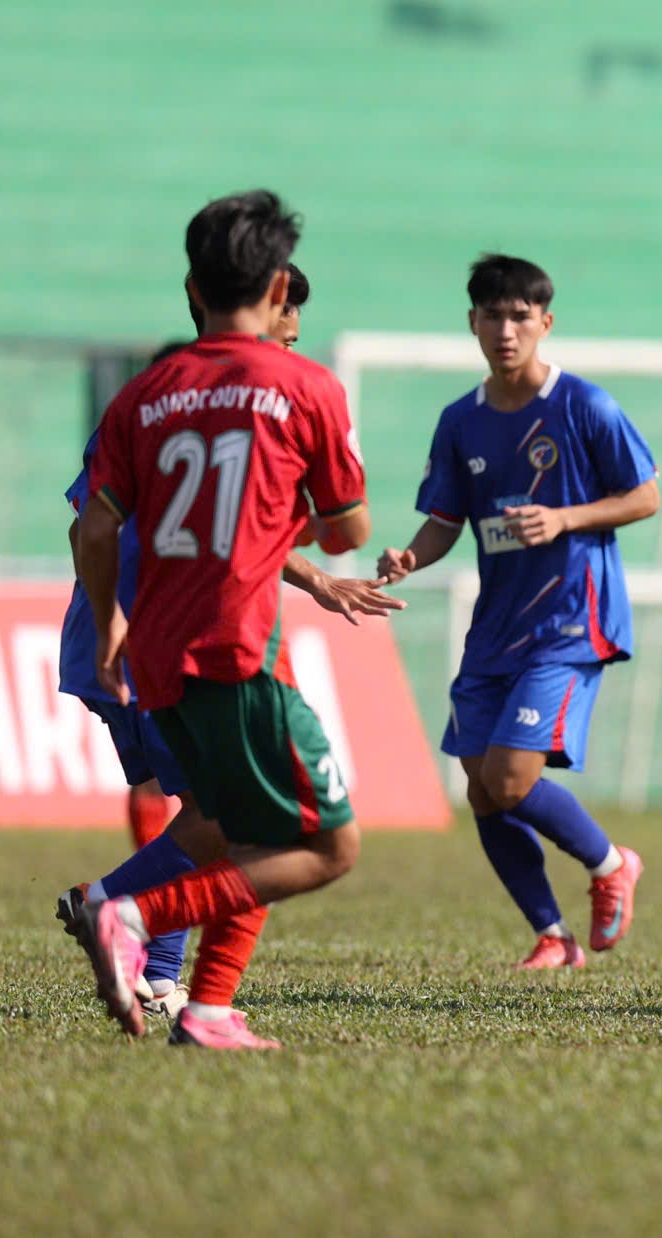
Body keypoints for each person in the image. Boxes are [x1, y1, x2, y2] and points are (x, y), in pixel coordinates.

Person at [55, 262, 398, 1025]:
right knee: (263, 828)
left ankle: (165, 976)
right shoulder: (275, 397)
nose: (287, 344)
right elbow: (335, 524)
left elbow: (99, 525)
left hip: (133, 640)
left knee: (212, 814)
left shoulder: (146, 400)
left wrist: (313, 581)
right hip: (207, 641)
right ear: (269, 304)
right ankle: (119, 914)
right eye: (287, 330)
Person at [377, 254, 658, 968]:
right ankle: (553, 936)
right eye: (493, 316)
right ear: (472, 323)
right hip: (496, 629)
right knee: (482, 790)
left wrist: (564, 518)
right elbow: (444, 521)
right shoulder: (459, 422)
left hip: (570, 622)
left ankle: (611, 864)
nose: (506, 331)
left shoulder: (584, 406)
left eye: (520, 317)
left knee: (509, 780)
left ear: (545, 323)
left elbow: (645, 496)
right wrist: (409, 556)